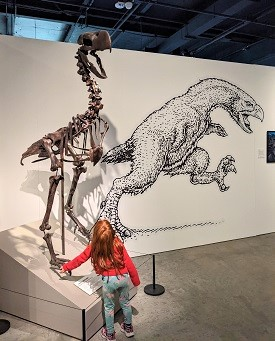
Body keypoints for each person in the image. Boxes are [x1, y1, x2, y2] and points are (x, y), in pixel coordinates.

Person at [60, 219, 140, 341]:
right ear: (112, 233)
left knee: (109, 307)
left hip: (109, 282)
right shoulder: (118, 243)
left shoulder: (93, 247)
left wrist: (66, 267)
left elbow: (80, 259)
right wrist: (136, 281)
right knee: (125, 303)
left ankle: (110, 334)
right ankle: (128, 328)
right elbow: (129, 263)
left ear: (96, 234)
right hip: (124, 278)